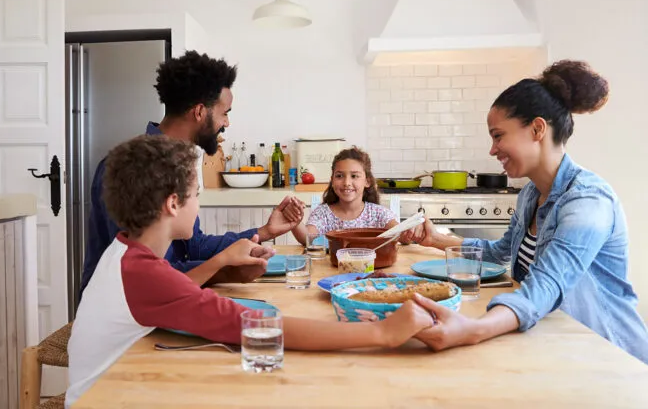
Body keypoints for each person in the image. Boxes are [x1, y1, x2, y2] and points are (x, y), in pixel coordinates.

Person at [65, 135, 435, 407]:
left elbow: (172, 291)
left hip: (119, 389)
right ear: (173, 203)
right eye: (197, 195)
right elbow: (255, 324)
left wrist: (223, 264)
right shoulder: (144, 273)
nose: (199, 204)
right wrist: (381, 332)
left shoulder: (125, 250)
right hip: (105, 398)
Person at [408, 60, 648, 364]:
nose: (493, 150)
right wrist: (436, 239)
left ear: (537, 129)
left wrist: (472, 330)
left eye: (498, 136)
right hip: (554, 344)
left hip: (608, 355)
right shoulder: (530, 194)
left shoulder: (588, 201)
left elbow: (546, 284)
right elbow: (500, 252)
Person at [81, 51, 304, 296]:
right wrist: (225, 268)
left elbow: (192, 247)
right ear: (199, 112)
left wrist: (265, 232)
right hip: (122, 319)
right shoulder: (133, 168)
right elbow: (150, 276)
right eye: (225, 112)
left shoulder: (177, 164)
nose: (227, 123)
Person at [290, 146, 399, 245]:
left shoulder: (378, 214)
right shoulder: (323, 214)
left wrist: (412, 231)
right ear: (332, 180)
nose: (347, 182)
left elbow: (400, 233)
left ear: (367, 181)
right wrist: (295, 221)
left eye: (354, 176)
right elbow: (306, 238)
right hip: (332, 266)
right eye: (339, 176)